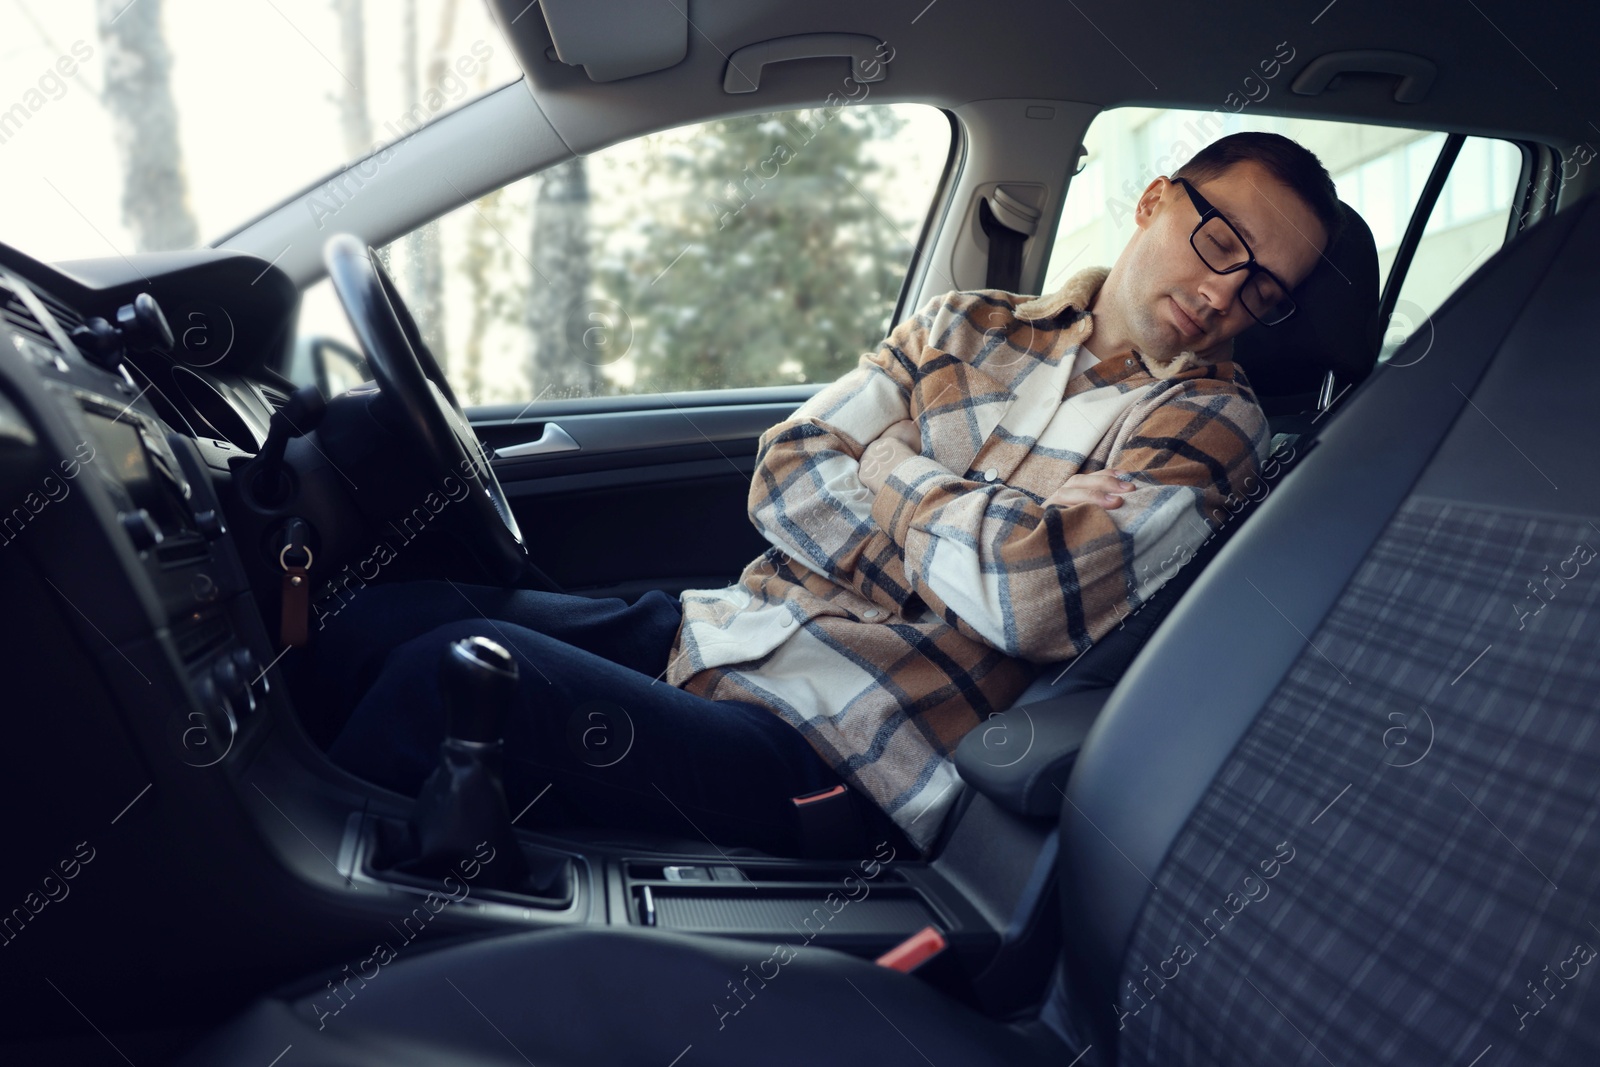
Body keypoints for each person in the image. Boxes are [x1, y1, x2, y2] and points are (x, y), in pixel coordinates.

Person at [316, 131, 1343, 857]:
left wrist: (890, 463)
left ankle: (300, 934)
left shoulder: (1215, 424)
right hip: (724, 628)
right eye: (1221, 244)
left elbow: (1032, 595)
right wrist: (975, 536)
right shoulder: (966, 320)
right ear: (1156, 199)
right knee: (373, 615)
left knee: (437, 677)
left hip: (842, 750)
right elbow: (787, 466)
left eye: (1264, 291)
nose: (1223, 296)